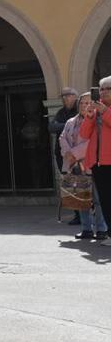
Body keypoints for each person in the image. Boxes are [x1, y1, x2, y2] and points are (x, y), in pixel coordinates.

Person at [60, 92, 107, 240]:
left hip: (91, 165)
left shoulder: (96, 121)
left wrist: (74, 153)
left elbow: (91, 142)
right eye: (81, 103)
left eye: (87, 103)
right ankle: (86, 229)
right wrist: (68, 153)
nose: (84, 106)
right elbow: (62, 138)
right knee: (81, 199)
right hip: (74, 165)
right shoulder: (70, 122)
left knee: (99, 200)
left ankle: (101, 229)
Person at [79, 76, 111, 247]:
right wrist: (90, 116)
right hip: (98, 163)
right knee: (105, 200)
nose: (103, 92)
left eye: (107, 89)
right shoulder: (96, 110)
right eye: (101, 89)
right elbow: (83, 134)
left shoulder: (105, 110)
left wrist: (105, 111)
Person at [51, 87, 81, 226]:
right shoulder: (61, 112)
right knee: (70, 185)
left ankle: (88, 216)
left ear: (75, 96)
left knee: (82, 184)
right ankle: (77, 215)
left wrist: (62, 126)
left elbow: (81, 128)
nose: (65, 98)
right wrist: (69, 125)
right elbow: (51, 127)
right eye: (63, 96)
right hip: (62, 155)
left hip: (79, 155)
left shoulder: (79, 110)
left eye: (68, 95)